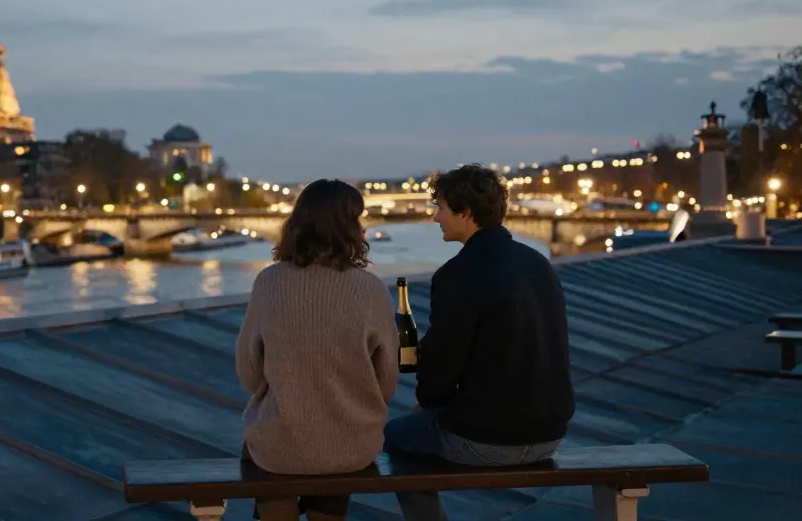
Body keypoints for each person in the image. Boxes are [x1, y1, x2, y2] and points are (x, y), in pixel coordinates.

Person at [384, 164, 575, 521]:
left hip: (490, 440)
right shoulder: (538, 264)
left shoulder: (458, 274)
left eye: (439, 207)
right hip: (551, 433)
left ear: (466, 213)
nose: (435, 217)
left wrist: (430, 397)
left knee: (393, 437)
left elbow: (436, 381)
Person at [236, 178, 399, 521]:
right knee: (333, 454)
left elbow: (248, 369)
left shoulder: (269, 282)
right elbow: (387, 381)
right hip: (352, 446)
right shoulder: (370, 289)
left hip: (280, 446)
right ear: (349, 228)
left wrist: (288, 397)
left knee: (268, 453)